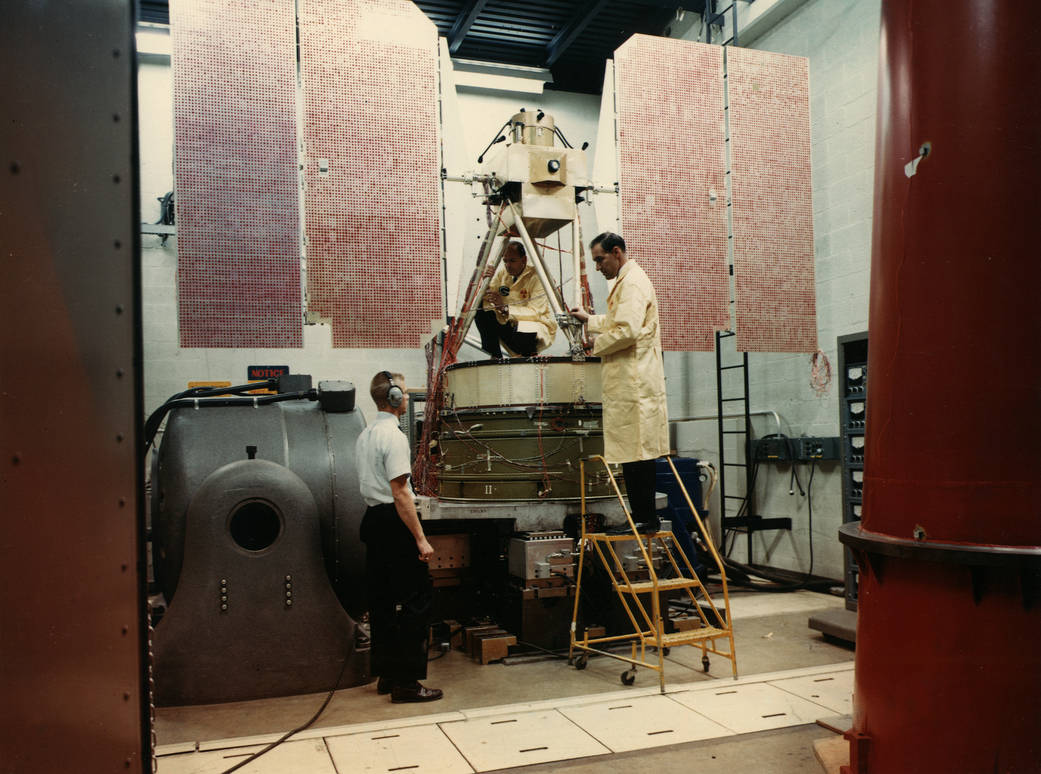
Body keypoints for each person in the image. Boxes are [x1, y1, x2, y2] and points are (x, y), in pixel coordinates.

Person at [569, 232, 669, 532]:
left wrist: (593, 346)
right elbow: (618, 320)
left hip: (635, 381)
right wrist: (589, 319)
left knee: (637, 453)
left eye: (600, 259)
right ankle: (641, 516)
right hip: (630, 379)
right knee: (632, 451)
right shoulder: (626, 282)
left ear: (616, 252)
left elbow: (626, 330)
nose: (598, 267)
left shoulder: (634, 283)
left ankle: (645, 518)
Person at [355, 371, 443, 703]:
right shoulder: (393, 436)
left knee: (381, 602)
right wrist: (420, 538)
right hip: (394, 523)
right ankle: (407, 683)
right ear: (394, 398)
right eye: (404, 393)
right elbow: (400, 493)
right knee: (416, 600)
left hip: (372, 522)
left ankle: (388, 674)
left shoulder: (365, 434)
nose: (406, 397)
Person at [474, 240, 557, 358]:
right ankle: (495, 355)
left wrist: (504, 308)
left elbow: (536, 312)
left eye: (512, 261)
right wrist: (486, 280)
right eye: (505, 261)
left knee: (525, 327)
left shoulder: (538, 277)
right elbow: (487, 298)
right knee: (480, 310)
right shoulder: (503, 274)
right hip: (510, 326)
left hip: (534, 328)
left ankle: (528, 355)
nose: (508, 265)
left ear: (524, 260)